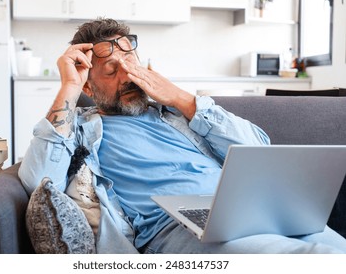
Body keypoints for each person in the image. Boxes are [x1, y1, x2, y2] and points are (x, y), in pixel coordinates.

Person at [19, 18, 346, 254]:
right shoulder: (80, 129)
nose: (128, 76)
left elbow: (259, 147)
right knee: (318, 260)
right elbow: (39, 179)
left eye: (131, 63)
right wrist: (69, 88)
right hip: (174, 229)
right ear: (89, 86)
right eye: (111, 71)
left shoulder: (179, 114)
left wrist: (182, 99)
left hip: (250, 211)